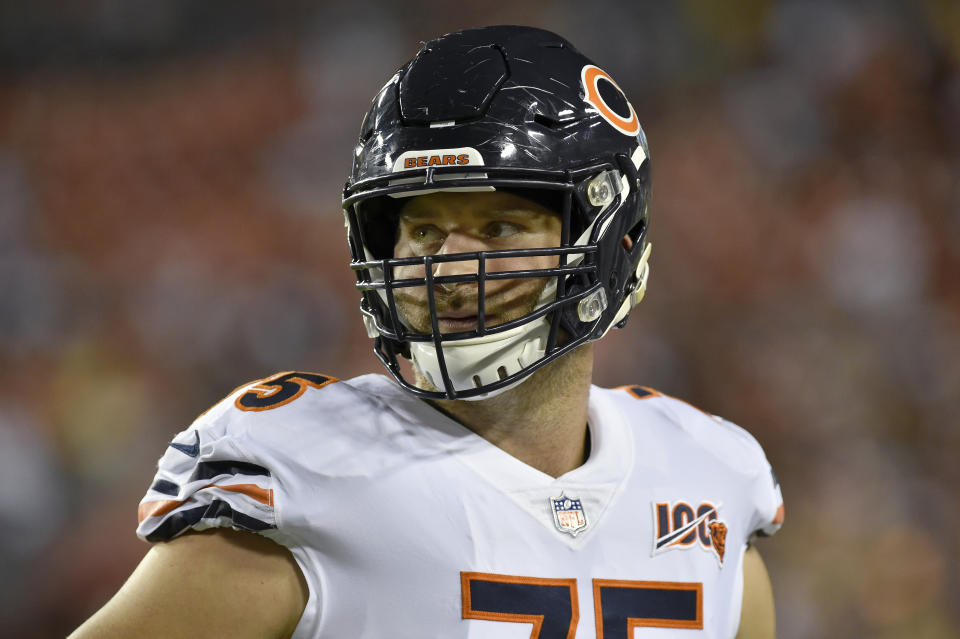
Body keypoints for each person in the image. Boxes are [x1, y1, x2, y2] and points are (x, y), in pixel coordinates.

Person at [70, 25, 783, 639]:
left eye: (497, 226)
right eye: (422, 228)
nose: (446, 266)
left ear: (610, 244)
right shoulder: (311, 470)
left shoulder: (707, 482)